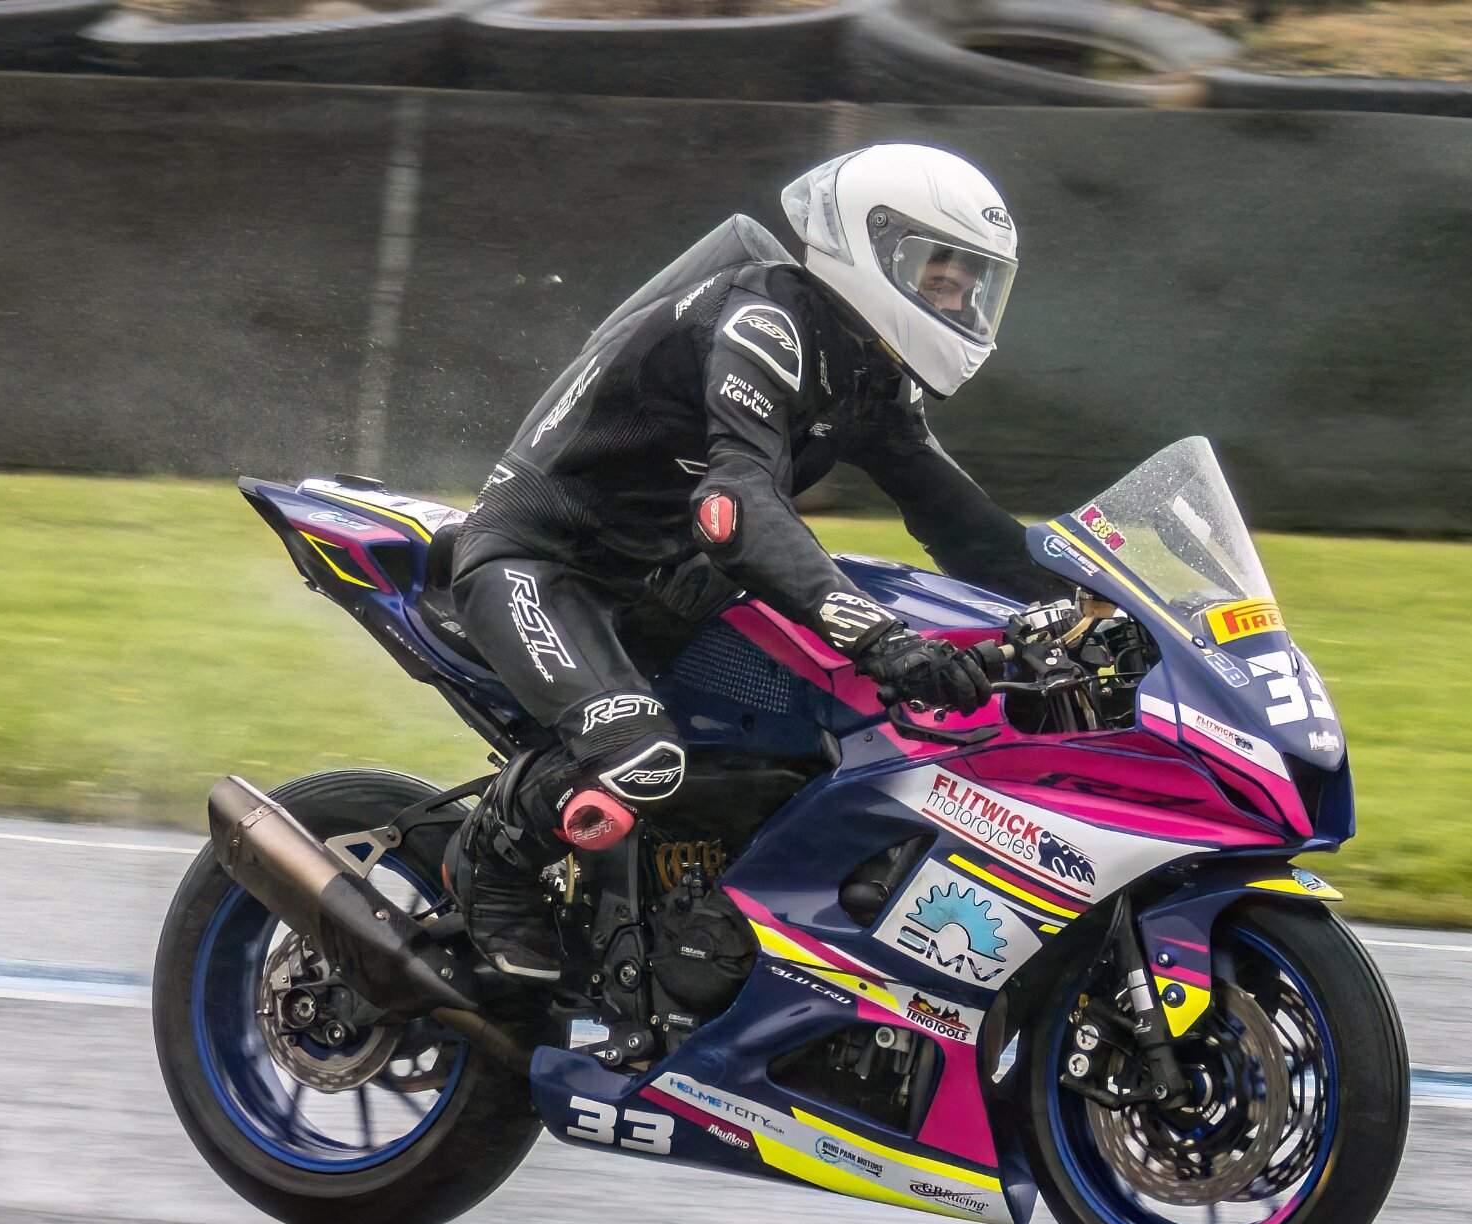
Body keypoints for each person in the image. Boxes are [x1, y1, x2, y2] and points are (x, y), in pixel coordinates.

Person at [446, 143, 1060, 980]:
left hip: (669, 581)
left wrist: (1104, 605)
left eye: (973, 287)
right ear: (873, 246)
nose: (958, 303)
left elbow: (964, 526)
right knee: (641, 756)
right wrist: (879, 638)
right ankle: (489, 860)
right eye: (941, 278)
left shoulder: (871, 372)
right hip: (541, 562)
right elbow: (734, 509)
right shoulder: (763, 321)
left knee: (810, 744)